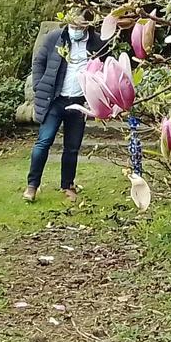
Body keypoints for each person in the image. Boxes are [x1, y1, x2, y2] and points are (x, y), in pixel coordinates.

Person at [26, 11, 110, 201]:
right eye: (72, 26)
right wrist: (39, 86)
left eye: (80, 27)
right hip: (55, 100)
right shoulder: (54, 38)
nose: (76, 30)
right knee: (43, 142)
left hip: (78, 102)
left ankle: (68, 185)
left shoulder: (98, 43)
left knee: (72, 147)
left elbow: (106, 69)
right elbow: (39, 62)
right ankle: (32, 185)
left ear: (87, 25)